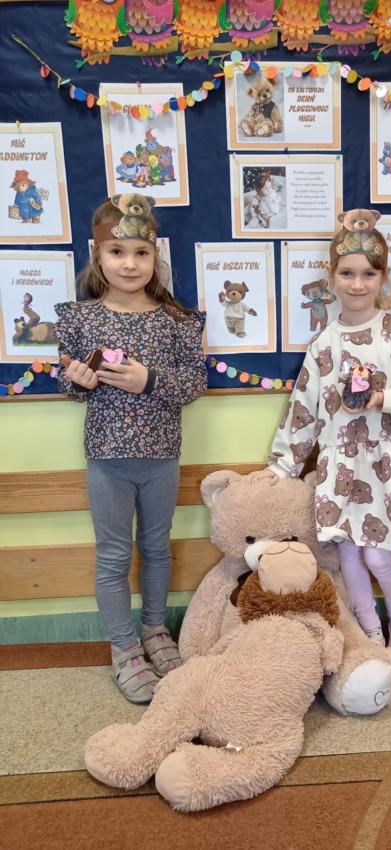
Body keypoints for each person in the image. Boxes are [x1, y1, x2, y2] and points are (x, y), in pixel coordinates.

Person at [250, 210, 391, 659]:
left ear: (383, 277)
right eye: (347, 273)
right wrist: (281, 466)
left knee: (377, 555)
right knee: (350, 555)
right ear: (332, 277)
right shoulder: (324, 345)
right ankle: (369, 629)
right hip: (341, 467)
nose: (357, 284)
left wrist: (383, 398)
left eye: (368, 274)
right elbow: (303, 410)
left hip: (386, 466)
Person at [54, 196, 208, 704]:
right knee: (114, 555)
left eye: (141, 252)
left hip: (161, 457)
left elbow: (193, 385)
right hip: (106, 459)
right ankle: (123, 648)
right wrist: (78, 381)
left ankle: (155, 631)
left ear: (154, 256)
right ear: (98, 256)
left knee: (158, 548)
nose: (129, 263)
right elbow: (69, 385)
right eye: (117, 252)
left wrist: (149, 380)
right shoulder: (81, 320)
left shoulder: (176, 321)